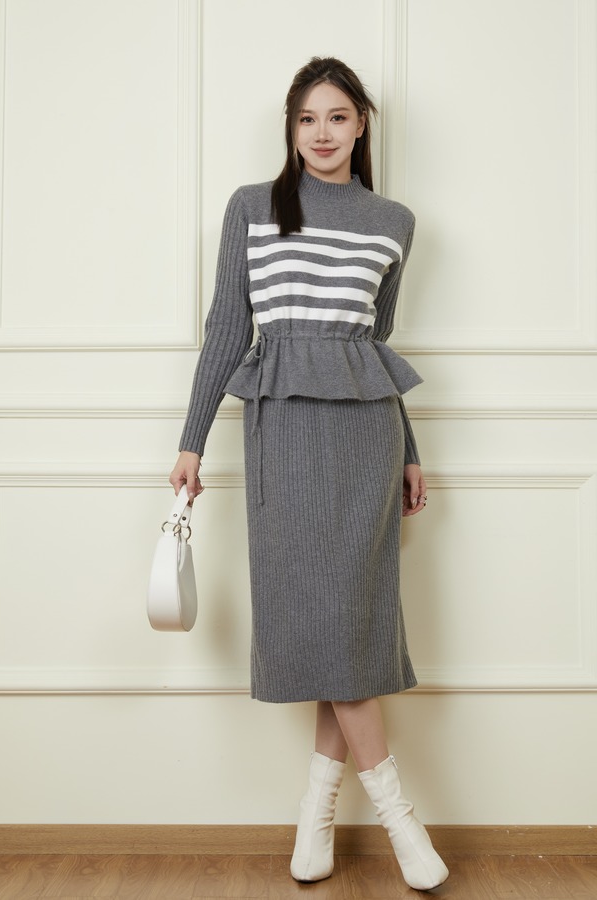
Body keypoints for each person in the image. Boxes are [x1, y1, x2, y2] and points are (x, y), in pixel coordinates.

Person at [169, 56, 448, 892]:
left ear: (362, 125)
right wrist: (190, 440)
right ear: (290, 128)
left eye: (337, 117)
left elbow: (372, 347)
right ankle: (397, 815)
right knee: (330, 624)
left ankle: (319, 813)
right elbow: (227, 330)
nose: (321, 133)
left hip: (366, 442)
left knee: (350, 624)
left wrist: (408, 449)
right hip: (283, 435)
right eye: (306, 118)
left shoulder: (393, 222)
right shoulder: (253, 208)